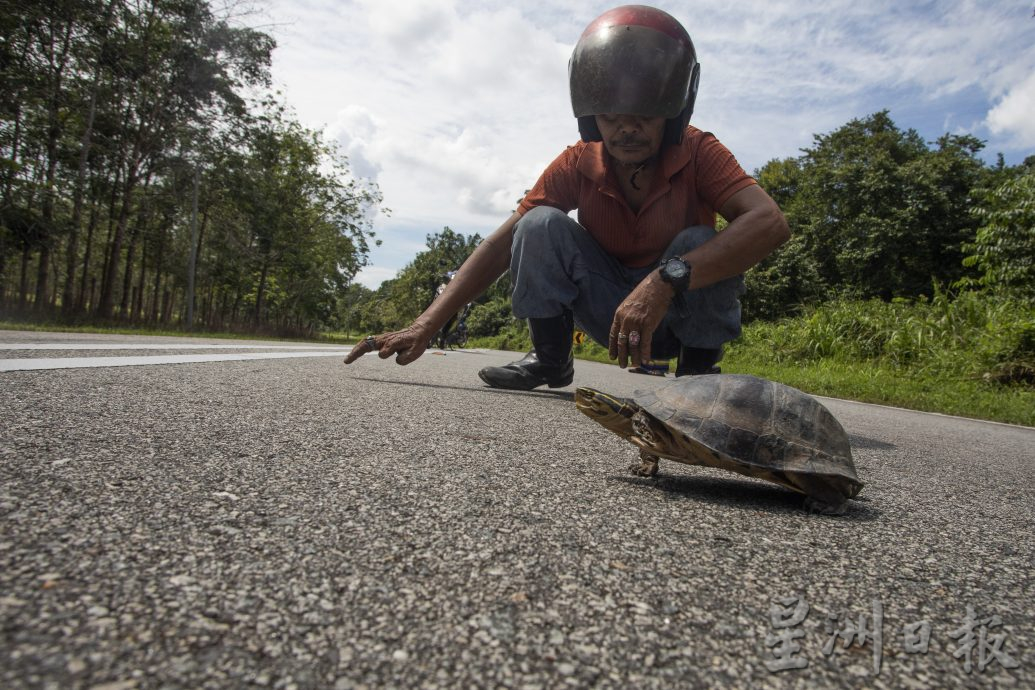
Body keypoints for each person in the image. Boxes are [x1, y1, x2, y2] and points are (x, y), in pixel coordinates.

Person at [344, 5, 789, 389]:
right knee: (537, 224)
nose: (626, 129)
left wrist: (663, 281)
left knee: (696, 239)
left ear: (673, 112)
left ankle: (697, 375)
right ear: (591, 115)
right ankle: (551, 360)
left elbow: (769, 222)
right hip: (607, 313)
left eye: (644, 116)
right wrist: (427, 324)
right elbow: (500, 244)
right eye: (611, 116)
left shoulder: (698, 151)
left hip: (678, 316)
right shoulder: (577, 161)